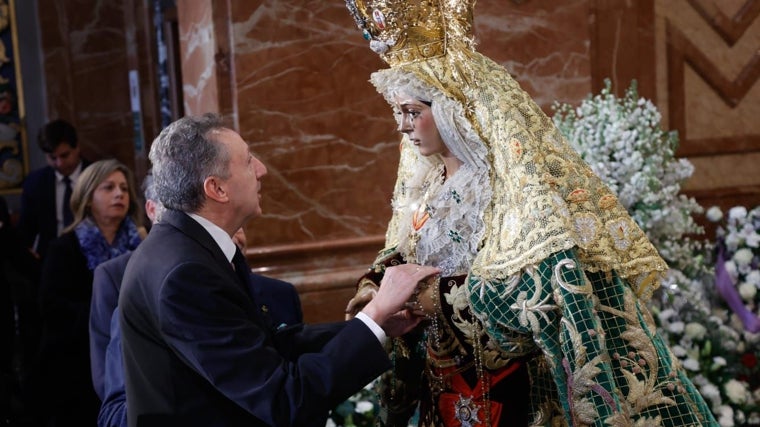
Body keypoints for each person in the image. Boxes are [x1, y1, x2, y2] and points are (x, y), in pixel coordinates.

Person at [343, 1, 718, 426]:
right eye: (398, 112)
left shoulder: (509, 187)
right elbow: (402, 250)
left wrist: (431, 297)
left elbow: (539, 290)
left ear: (452, 109)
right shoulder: (425, 183)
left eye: (413, 112)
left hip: (514, 386)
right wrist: (375, 288)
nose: (403, 126)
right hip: (442, 380)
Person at [118, 113, 437, 427]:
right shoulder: (185, 274)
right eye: (247, 161)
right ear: (217, 189)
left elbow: (267, 344)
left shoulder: (189, 246)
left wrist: (378, 323)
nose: (262, 170)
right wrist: (376, 312)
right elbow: (284, 399)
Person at [97, 225, 304, 427]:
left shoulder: (280, 296)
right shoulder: (141, 308)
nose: (229, 237)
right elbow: (113, 415)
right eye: (211, 227)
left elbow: (291, 387)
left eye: (236, 226)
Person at [33, 159, 144, 426]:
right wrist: (104, 315)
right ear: (87, 197)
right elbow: (51, 306)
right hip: (75, 364)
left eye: (124, 188)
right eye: (108, 188)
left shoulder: (143, 243)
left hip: (130, 360)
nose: (119, 194)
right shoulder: (64, 247)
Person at [19, 119, 91, 260]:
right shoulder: (35, 183)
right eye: (52, 158)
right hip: (50, 258)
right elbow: (25, 230)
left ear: (77, 147)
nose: (59, 163)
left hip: (92, 256)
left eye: (65, 155)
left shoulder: (98, 177)